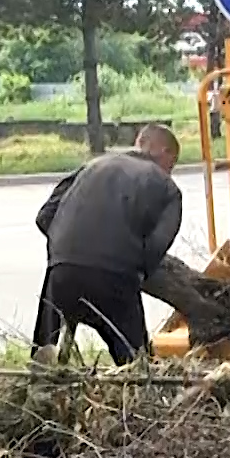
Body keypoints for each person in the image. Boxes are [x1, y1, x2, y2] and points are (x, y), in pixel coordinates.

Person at [29, 124, 184, 367]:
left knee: (44, 351)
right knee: (137, 364)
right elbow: (155, 247)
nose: (170, 172)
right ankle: (140, 392)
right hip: (115, 278)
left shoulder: (91, 166)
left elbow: (45, 216)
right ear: (163, 151)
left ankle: (39, 382)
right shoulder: (166, 188)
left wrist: (70, 247)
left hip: (62, 273)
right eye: (172, 164)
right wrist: (133, 266)